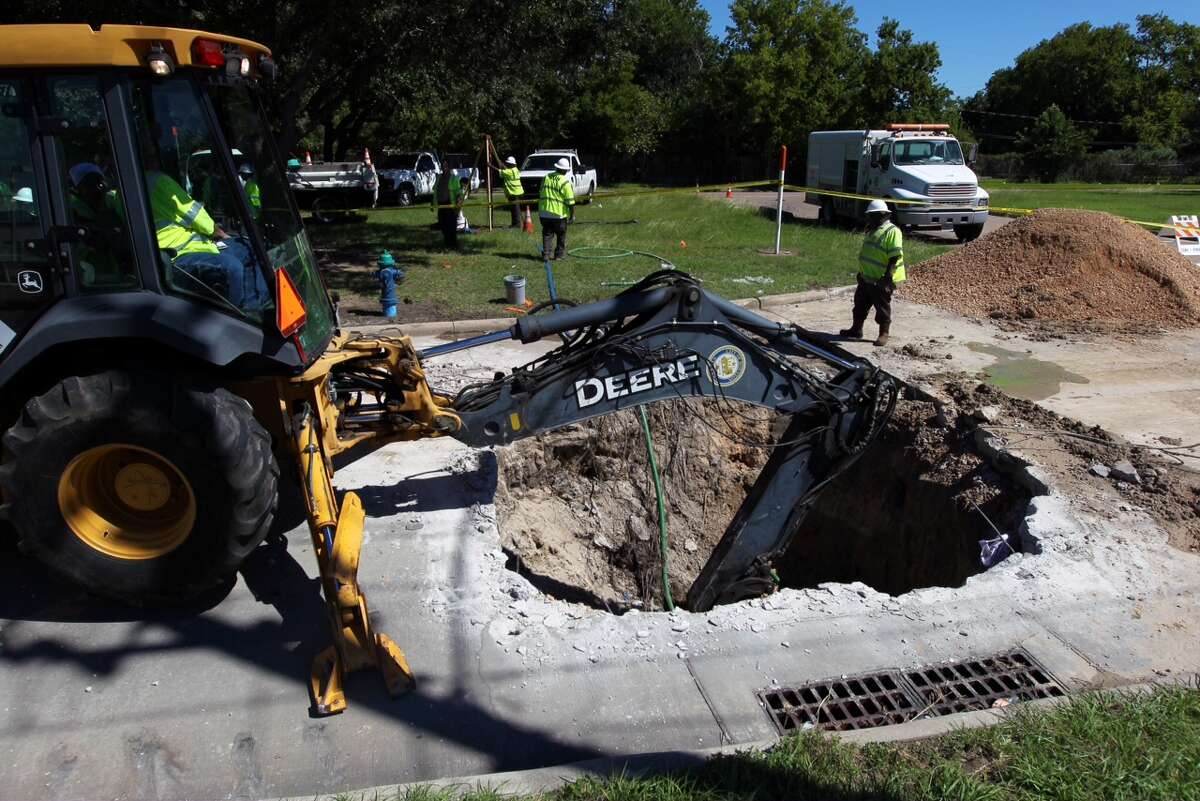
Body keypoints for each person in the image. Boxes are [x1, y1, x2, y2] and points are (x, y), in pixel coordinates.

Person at [146, 168, 265, 309]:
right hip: (179, 254)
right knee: (233, 266)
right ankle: (245, 314)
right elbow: (192, 212)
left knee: (250, 247)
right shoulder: (157, 181)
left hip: (200, 245)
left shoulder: (132, 188)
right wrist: (218, 232)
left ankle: (253, 303)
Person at [840, 199, 905, 347]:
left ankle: (884, 333)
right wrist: (862, 273)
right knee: (860, 304)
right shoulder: (873, 229)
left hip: (881, 279)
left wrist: (887, 277)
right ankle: (856, 329)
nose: (869, 218)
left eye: (872, 215)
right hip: (867, 277)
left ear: (883, 215)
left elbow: (894, 256)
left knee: (882, 307)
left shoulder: (892, 231)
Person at [538, 157, 574, 260]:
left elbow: (541, 192)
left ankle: (546, 254)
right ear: (566, 170)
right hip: (559, 214)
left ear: (556, 167)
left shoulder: (546, 177)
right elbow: (570, 201)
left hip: (544, 212)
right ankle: (559, 255)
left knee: (547, 233)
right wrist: (572, 216)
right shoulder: (565, 182)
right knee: (561, 234)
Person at [431, 167, 463, 248]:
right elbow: (435, 189)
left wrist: (459, 200)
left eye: (446, 166)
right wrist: (433, 202)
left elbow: (458, 191)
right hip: (441, 205)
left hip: (450, 205)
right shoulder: (439, 177)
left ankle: (453, 244)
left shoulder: (454, 178)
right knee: (442, 225)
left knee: (451, 227)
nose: (445, 168)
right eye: (443, 166)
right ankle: (447, 242)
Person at [498, 155, 525, 227]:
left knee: (515, 210)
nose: (507, 164)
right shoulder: (515, 170)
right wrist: (501, 163)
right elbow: (505, 169)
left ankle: (517, 224)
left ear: (510, 164)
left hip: (514, 193)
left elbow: (500, 172)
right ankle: (515, 224)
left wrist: (490, 165)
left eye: (508, 164)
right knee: (515, 209)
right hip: (518, 192)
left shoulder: (509, 172)